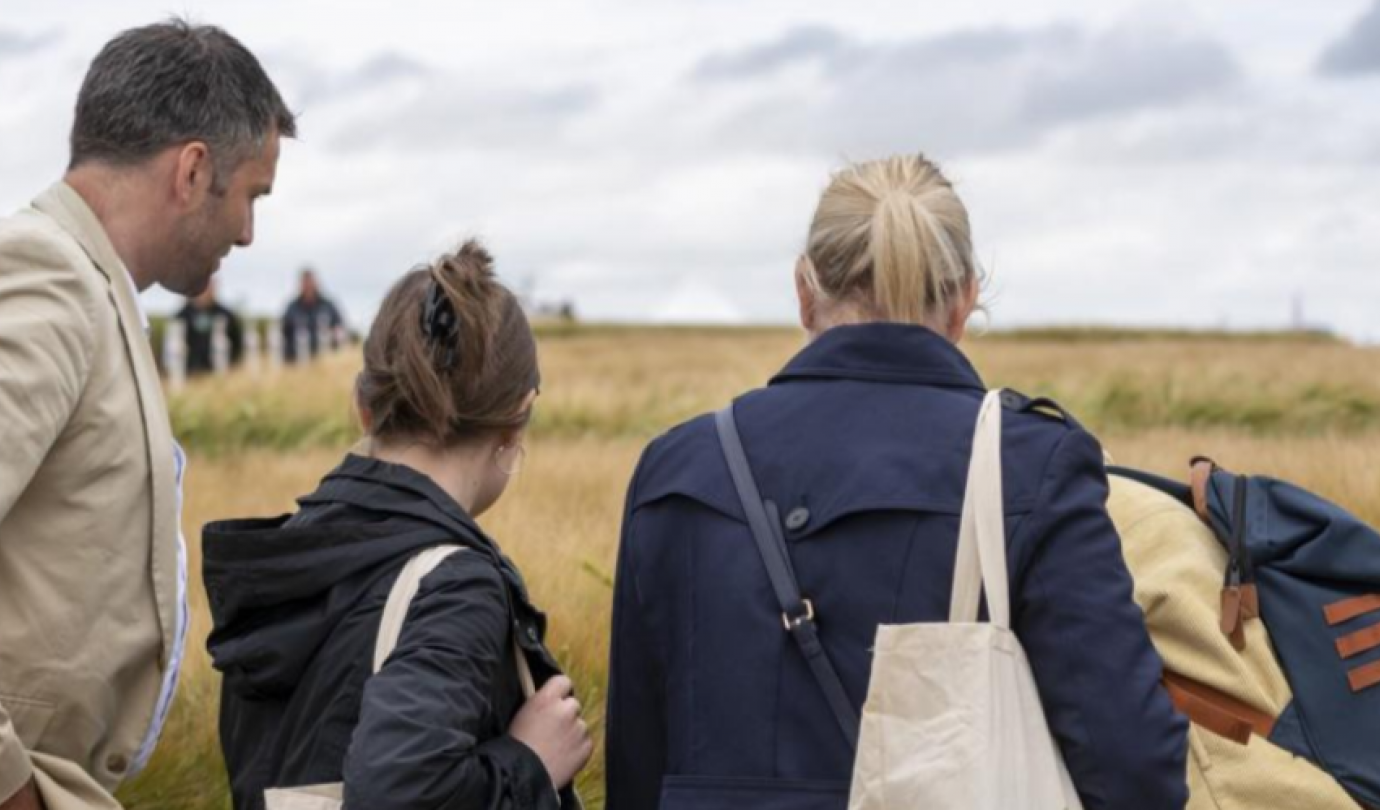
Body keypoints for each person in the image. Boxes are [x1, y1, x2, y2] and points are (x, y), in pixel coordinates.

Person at [605, 154, 1189, 810]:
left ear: (804, 291)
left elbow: (635, 764)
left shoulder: (680, 468)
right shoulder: (1028, 466)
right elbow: (1136, 772)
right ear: (966, 298)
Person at [0, 20, 293, 810]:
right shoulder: (50, 277)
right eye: (250, 196)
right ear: (194, 170)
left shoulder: (92, 287)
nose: (247, 231)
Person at [204, 241, 592, 810]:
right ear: (517, 419)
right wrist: (529, 763)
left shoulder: (288, 556)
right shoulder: (454, 587)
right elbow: (398, 791)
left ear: (362, 406)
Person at [174, 278, 246, 375]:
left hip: (220, 371)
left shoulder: (226, 315)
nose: (205, 292)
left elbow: (237, 343)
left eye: (208, 288)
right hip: (190, 373)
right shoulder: (182, 316)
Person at [281, 267, 345, 363]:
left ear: (316, 283)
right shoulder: (291, 307)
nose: (308, 286)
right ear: (300, 285)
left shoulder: (328, 305)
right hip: (298, 360)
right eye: (305, 283)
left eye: (311, 282)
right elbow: (283, 333)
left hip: (327, 359)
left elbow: (340, 328)